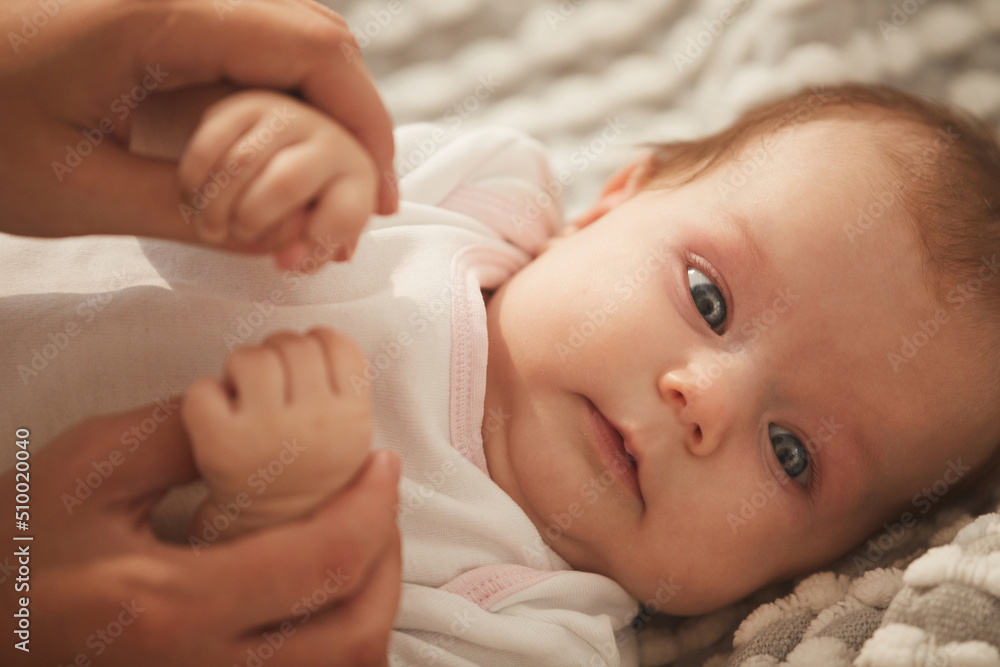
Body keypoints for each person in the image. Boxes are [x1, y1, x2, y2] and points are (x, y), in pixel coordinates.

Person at [10, 78, 999, 665]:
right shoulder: (461, 195)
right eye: (706, 298)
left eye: (790, 453)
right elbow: (128, 128)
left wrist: (270, 546)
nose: (705, 399)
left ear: (803, 571)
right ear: (612, 202)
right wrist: (252, 136)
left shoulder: (535, 626)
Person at [0, 0, 405, 664]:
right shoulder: (485, 196)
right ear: (610, 202)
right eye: (648, 277)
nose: (647, 381)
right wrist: (264, 142)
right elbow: (166, 124)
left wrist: (276, 518)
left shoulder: (551, 618)